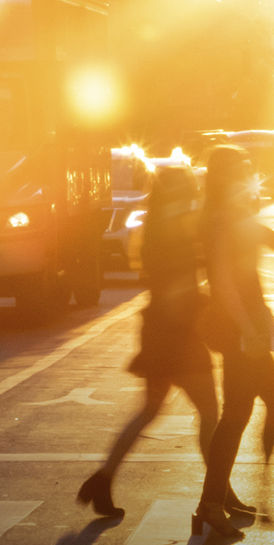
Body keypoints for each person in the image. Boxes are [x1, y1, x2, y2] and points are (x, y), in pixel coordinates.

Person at [76, 166, 220, 517]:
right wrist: (202, 310)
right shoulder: (175, 232)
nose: (194, 194)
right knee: (210, 413)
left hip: (158, 331)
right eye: (189, 188)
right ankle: (218, 492)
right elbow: (179, 288)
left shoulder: (156, 227)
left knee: (150, 410)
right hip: (178, 335)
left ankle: (104, 478)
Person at [198, 146, 274, 537]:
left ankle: (217, 498)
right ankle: (214, 502)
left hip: (245, 325)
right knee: (249, 410)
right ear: (226, 176)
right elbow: (222, 281)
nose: (250, 172)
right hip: (237, 330)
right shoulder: (221, 220)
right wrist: (247, 328)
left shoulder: (234, 214)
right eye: (243, 168)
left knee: (244, 412)